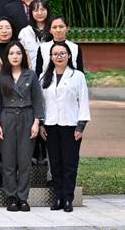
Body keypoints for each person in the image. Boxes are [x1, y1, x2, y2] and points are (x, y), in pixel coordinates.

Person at [0, 40, 45, 212]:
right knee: (8, 161)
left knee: (24, 161)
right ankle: (11, 197)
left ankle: (23, 197)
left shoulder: (31, 75)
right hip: (7, 117)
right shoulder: (1, 76)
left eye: (18, 53)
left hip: (27, 117)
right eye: (11, 53)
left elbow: (38, 100)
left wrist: (36, 122)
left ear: (23, 56)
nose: (15, 56)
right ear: (7, 56)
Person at [39, 42, 91, 213]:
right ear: (51, 57)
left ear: (69, 55)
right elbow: (41, 103)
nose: (59, 56)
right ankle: (58, 197)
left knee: (70, 163)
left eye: (62, 53)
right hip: (50, 125)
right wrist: (41, 123)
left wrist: (80, 126)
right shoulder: (44, 77)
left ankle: (68, 198)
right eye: (55, 54)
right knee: (55, 163)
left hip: (71, 126)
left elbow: (83, 101)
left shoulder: (78, 76)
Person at [18, 0, 52, 67]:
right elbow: (21, 53)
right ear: (31, 13)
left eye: (42, 10)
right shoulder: (25, 32)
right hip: (31, 70)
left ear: (47, 11)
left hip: (52, 69)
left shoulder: (53, 29)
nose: (39, 13)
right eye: (36, 10)